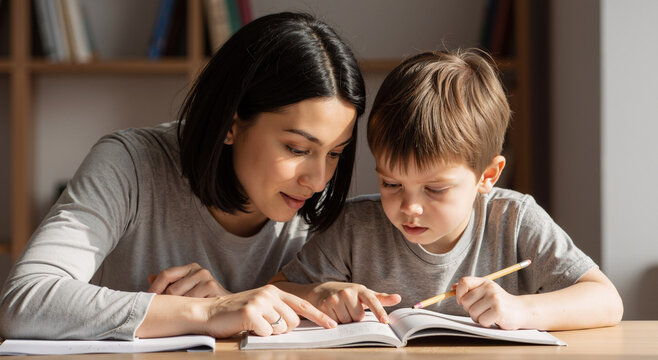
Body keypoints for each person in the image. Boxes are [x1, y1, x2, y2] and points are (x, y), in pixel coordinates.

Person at [0, 12, 365, 340]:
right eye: (297, 149)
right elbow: (23, 300)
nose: (318, 181)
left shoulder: (316, 209)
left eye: (335, 153)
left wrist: (234, 302)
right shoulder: (130, 164)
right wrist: (206, 312)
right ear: (231, 124)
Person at [271, 49, 623, 330]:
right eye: (391, 183)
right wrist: (319, 294)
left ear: (488, 175)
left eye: (435, 189)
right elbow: (276, 291)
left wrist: (522, 310)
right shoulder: (354, 227)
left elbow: (606, 300)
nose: (410, 207)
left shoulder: (514, 220)